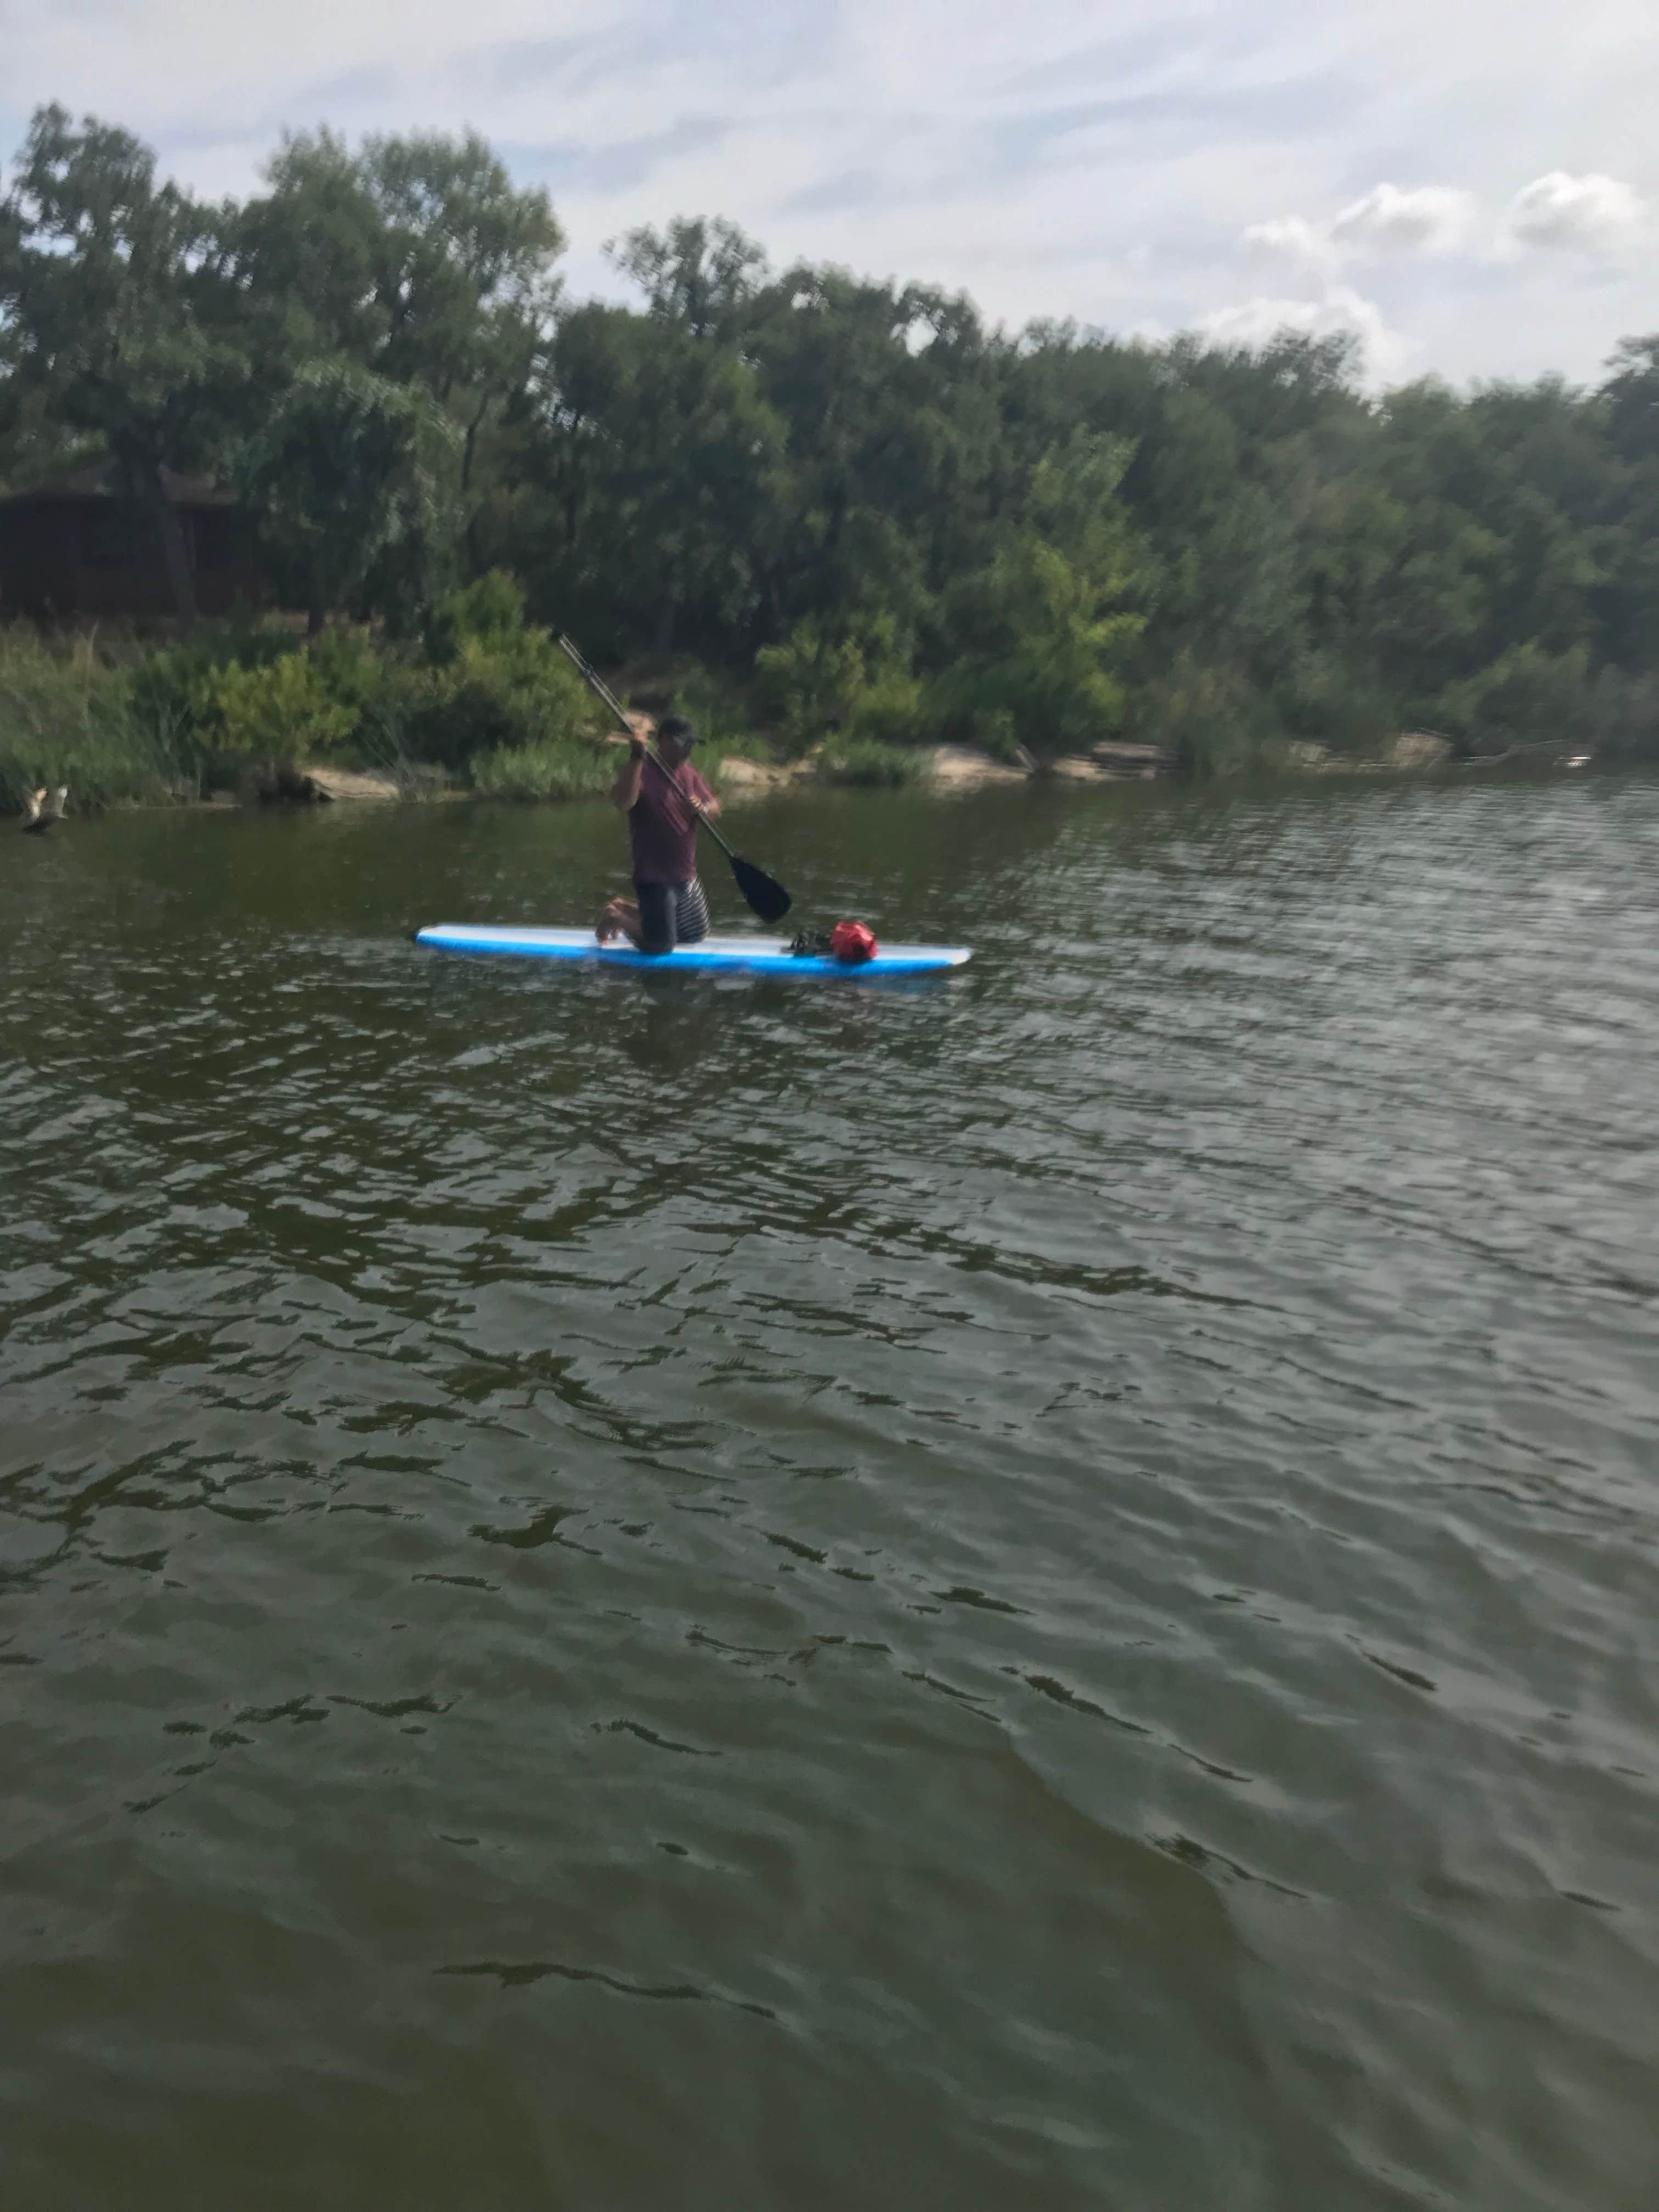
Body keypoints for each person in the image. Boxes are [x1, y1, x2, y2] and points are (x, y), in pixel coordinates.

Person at [594, 712, 721, 953]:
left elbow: (715, 808)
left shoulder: (689, 774)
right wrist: (636, 756)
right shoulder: (642, 770)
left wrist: (702, 808)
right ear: (663, 741)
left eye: (692, 744)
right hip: (656, 879)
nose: (689, 750)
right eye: (685, 744)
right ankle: (616, 918)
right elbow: (623, 802)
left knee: (694, 933)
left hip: (685, 875)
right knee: (661, 945)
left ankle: (627, 909)